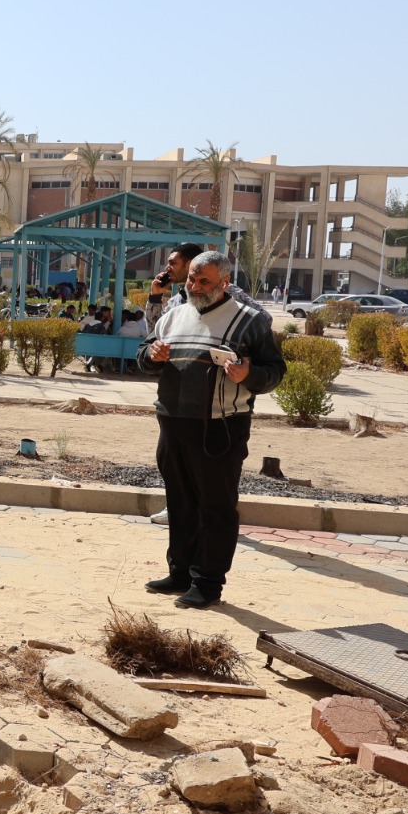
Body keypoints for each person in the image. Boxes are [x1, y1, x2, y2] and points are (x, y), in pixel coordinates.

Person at [137, 251, 284, 609]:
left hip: (220, 428)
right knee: (180, 502)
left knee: (215, 506)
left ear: (225, 283)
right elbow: (144, 355)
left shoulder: (249, 321)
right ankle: (180, 573)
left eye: (204, 281)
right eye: (192, 278)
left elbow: (275, 371)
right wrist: (151, 355)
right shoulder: (174, 314)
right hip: (172, 423)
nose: (195, 286)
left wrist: (249, 374)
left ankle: (207, 583)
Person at [145, 242, 263, 329]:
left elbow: (263, 318)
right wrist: (155, 297)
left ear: (190, 264)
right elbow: (156, 332)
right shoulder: (177, 300)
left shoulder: (226, 291)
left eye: (172, 263)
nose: (167, 268)